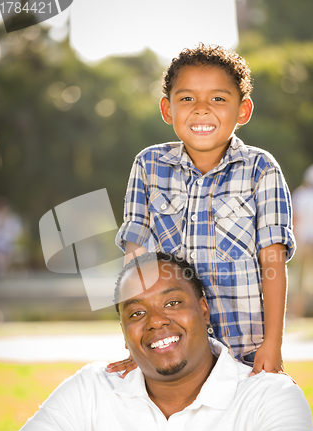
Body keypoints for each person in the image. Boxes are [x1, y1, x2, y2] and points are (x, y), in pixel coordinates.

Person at [0, 252, 313, 431]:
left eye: (173, 302)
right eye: (137, 312)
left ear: (203, 311)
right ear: (124, 333)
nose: (156, 321)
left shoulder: (268, 393)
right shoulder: (91, 388)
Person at [115, 44, 295, 376]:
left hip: (245, 349)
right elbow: (135, 262)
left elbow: (273, 260)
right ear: (167, 110)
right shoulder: (148, 165)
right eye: (186, 99)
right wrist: (134, 343)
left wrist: (272, 345)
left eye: (218, 99)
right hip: (173, 350)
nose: (201, 110)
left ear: (243, 111)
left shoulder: (260, 169)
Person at [290, 163, 313, 317]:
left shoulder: (300, 194)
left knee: (300, 279)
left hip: (303, 241)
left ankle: (296, 315)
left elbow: (295, 220)